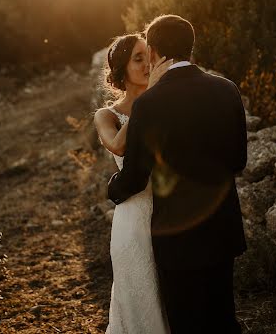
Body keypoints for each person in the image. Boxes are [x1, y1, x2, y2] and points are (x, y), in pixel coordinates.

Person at [108, 15, 247, 334]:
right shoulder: (226, 89)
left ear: (154, 52)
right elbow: (238, 160)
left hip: (178, 239)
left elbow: (136, 177)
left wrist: (112, 189)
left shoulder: (149, 104)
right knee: (223, 318)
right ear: (191, 48)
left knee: (186, 322)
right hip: (222, 228)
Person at [94, 33, 172, 334]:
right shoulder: (107, 115)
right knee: (141, 298)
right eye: (137, 58)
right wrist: (146, 99)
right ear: (121, 70)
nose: (147, 64)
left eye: (148, 56)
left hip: (169, 213)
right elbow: (117, 146)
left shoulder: (162, 105)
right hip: (133, 218)